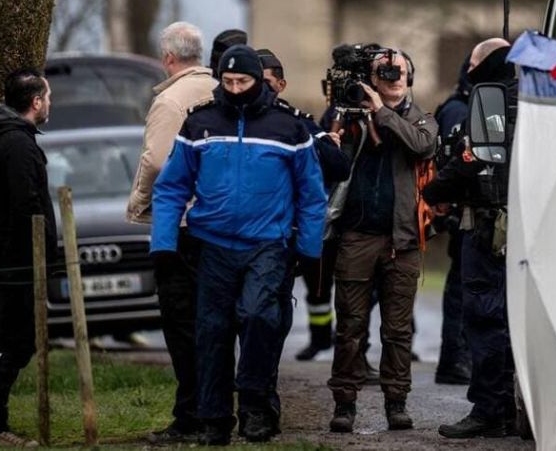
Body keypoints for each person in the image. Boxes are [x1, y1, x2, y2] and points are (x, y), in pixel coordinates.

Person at [151, 45, 327, 445]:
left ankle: (255, 408)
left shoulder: (290, 128)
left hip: (268, 242)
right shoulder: (200, 124)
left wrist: (309, 250)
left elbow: (312, 195)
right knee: (211, 331)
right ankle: (214, 418)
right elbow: (171, 187)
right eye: (227, 82)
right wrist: (162, 243)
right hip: (211, 244)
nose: (234, 89)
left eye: (242, 82)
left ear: (257, 81)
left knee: (258, 317)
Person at [327, 49, 437, 433]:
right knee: (350, 325)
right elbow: (331, 161)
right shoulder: (349, 115)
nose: (393, 77)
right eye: (384, 72)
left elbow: (421, 145)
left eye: (400, 71)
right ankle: (344, 403)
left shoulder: (422, 119)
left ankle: (397, 402)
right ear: (370, 78)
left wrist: (381, 112)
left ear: (410, 77)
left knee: (397, 330)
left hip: (402, 240)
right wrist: (342, 119)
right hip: (357, 235)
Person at [125, 22, 218, 444]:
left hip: (179, 223)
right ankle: (215, 406)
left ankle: (189, 414)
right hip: (218, 222)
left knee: (180, 323)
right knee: (213, 321)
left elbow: (159, 161)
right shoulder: (222, 89)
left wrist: (139, 201)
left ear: (168, 58)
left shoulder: (172, 100)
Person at [423, 37, 518, 439]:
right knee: (510, 321)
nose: (469, 67)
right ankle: (513, 406)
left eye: (475, 61)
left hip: (489, 228)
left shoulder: (491, 104)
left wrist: (432, 191)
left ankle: (489, 409)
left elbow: (471, 159)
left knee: (484, 318)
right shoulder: (537, 100)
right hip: (525, 230)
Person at [0, 69, 56, 448]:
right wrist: (37, 255)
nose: (50, 103)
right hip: (14, 260)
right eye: (48, 97)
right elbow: (27, 206)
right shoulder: (16, 145)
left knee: (18, 342)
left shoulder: (10, 139)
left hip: (13, 258)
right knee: (10, 343)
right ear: (36, 102)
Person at [256, 48, 349, 363]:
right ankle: (320, 338)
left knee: (321, 288)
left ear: (281, 85)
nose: (257, 89)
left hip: (301, 225)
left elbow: (337, 164)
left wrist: (327, 146)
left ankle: (329, 341)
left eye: (265, 82)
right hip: (245, 234)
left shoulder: (296, 123)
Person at [432, 53, 474, 386]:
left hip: (464, 211)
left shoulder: (464, 106)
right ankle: (454, 360)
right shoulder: (458, 111)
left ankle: (462, 358)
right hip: (462, 213)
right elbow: (452, 161)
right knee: (461, 289)